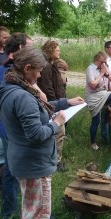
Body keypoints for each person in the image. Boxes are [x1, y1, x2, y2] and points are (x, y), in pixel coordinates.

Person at [0, 47, 84, 219]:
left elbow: (37, 109)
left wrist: (65, 102)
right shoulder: (23, 96)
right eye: (38, 71)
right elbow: (35, 134)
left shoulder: (9, 86)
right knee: (38, 214)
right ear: (27, 68)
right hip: (34, 164)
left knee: (31, 208)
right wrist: (56, 124)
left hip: (23, 159)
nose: (40, 75)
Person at [0, 33, 37, 219]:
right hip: (13, 131)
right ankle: (12, 213)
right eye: (30, 47)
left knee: (14, 172)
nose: (33, 51)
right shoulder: (8, 71)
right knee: (17, 173)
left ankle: (18, 211)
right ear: (20, 48)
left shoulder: (10, 68)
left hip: (13, 130)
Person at [37, 40, 69, 172]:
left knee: (58, 133)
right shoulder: (47, 67)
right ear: (50, 51)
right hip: (52, 105)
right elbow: (47, 88)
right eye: (57, 49)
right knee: (59, 133)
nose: (60, 52)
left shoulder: (51, 64)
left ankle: (53, 160)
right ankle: (56, 162)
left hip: (55, 103)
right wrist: (56, 104)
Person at [85, 52, 111, 150]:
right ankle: (93, 143)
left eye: (105, 62)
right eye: (102, 61)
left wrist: (106, 73)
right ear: (97, 60)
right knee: (96, 121)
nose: (104, 63)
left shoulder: (104, 67)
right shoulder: (90, 69)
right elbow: (93, 84)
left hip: (103, 93)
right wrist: (101, 74)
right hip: (93, 96)